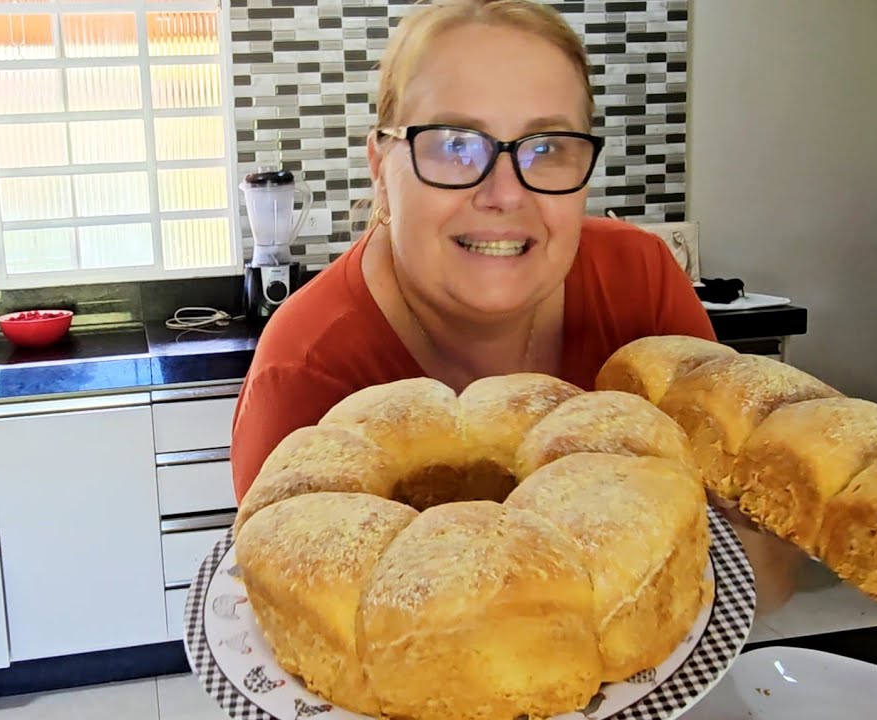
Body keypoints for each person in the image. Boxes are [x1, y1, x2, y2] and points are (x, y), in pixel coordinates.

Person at [229, 0, 715, 502]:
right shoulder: (305, 373)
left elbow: (752, 530)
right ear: (380, 167)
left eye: (546, 148)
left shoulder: (642, 282)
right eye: (454, 145)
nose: (504, 195)